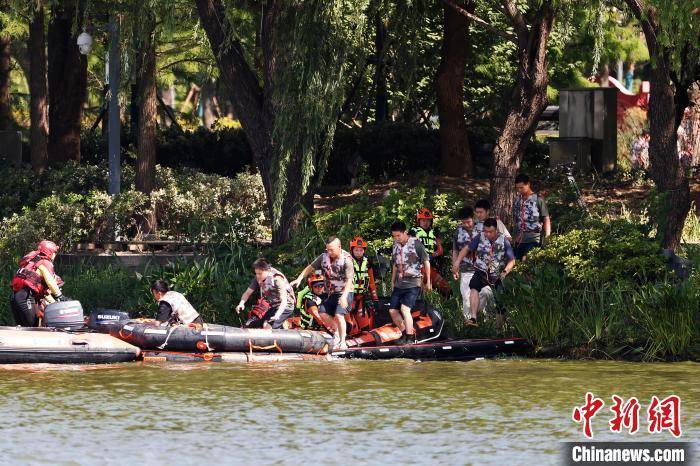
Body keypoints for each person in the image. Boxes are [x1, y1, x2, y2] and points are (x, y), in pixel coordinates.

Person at [291, 236, 354, 349]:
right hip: (333, 292)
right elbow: (310, 268)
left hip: (346, 291)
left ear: (339, 247)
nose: (329, 252)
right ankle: (337, 336)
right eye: (328, 249)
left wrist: (344, 297)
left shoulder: (347, 260)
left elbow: (349, 281)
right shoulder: (323, 257)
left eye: (332, 250)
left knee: (339, 315)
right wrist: (299, 278)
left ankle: (343, 342)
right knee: (322, 312)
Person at [453, 218, 516, 327]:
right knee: (473, 286)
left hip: (497, 274)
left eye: (490, 232)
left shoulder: (504, 240)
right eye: (485, 231)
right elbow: (466, 249)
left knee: (500, 302)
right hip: (481, 270)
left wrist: (505, 272)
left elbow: (512, 260)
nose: (487, 234)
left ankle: (499, 329)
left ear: (496, 230)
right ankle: (473, 318)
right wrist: (457, 262)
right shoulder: (480, 237)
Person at [390, 220, 431, 344]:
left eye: (399, 235)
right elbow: (395, 265)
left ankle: (410, 338)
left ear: (405, 232)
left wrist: (428, 281)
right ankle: (405, 332)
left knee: (405, 309)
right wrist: (392, 281)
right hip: (399, 283)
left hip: (413, 283)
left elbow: (426, 261)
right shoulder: (395, 245)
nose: (397, 238)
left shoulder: (416, 244)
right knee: (392, 311)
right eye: (394, 236)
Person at [451, 207, 493, 325]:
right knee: (466, 297)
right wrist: (455, 267)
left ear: (473, 218)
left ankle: (488, 321)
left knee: (486, 293)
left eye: (468, 222)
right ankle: (469, 323)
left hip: (482, 269)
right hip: (465, 269)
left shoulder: (483, 228)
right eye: (463, 222)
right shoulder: (458, 231)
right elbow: (455, 250)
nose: (466, 225)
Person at [10, 240, 66, 326]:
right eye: (54, 252)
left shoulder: (32, 262)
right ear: (50, 252)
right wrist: (60, 296)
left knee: (22, 329)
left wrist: (54, 303)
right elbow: (50, 282)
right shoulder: (45, 262)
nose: (55, 255)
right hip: (25, 297)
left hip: (14, 297)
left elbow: (44, 293)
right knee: (33, 328)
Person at [236, 258, 296, 329]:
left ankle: (283, 328)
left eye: (260, 274)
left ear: (267, 270)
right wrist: (241, 303)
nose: (258, 276)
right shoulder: (258, 278)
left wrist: (277, 314)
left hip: (286, 306)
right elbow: (247, 293)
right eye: (256, 273)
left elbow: (284, 300)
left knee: (267, 326)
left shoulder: (277, 279)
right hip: (274, 305)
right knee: (257, 324)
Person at [410, 208, 450, 294]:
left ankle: (446, 303)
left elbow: (440, 250)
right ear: (419, 221)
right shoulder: (413, 231)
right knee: (420, 289)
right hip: (418, 265)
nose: (425, 222)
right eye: (423, 220)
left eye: (428, 220)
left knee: (446, 289)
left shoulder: (434, 232)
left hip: (432, 263)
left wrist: (431, 256)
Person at [512, 174, 551, 260]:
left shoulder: (538, 199)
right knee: (515, 264)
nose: (519, 190)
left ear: (528, 184)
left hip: (533, 239)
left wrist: (547, 237)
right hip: (519, 240)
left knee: (526, 261)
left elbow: (546, 218)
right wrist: (514, 237)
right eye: (517, 188)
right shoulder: (517, 200)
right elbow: (515, 219)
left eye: (521, 187)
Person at [349, 236, 379, 314]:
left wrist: (375, 298)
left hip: (362, 297)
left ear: (364, 250)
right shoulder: (347, 261)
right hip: (349, 297)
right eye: (356, 250)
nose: (359, 253)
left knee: (364, 323)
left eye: (361, 250)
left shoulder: (367, 262)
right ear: (352, 250)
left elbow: (371, 281)